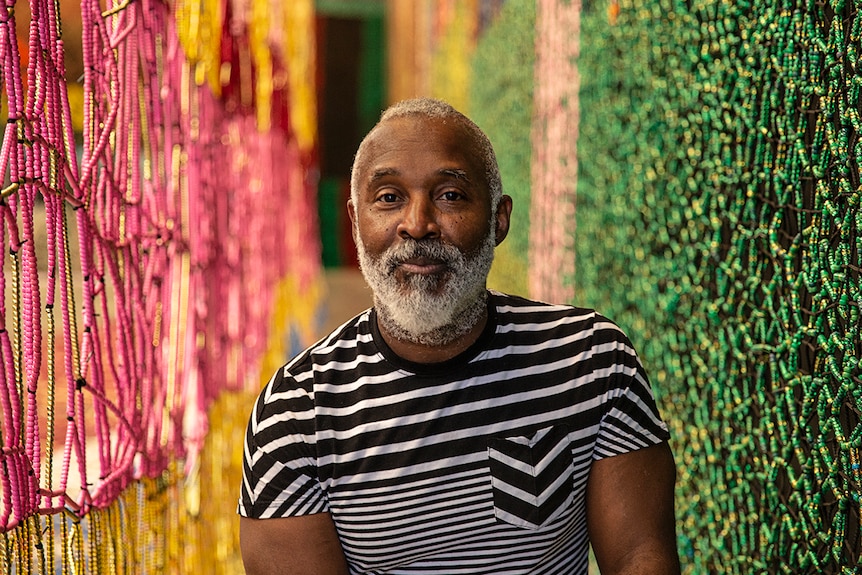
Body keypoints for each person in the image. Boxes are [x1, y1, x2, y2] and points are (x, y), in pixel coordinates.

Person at [238, 98, 680, 575]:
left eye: (450, 195)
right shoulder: (294, 416)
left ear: (499, 220)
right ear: (355, 222)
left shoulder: (591, 360)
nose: (418, 224)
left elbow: (641, 555)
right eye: (388, 197)